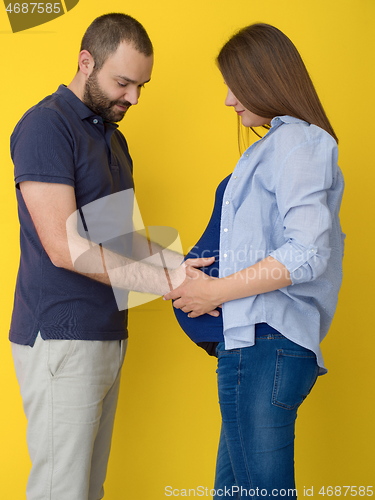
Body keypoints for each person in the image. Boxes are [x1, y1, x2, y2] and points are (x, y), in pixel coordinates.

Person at [10, 13, 214, 500]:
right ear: (86, 62)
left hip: (107, 332)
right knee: (62, 491)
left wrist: (184, 270)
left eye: (142, 85)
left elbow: (116, 239)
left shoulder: (113, 138)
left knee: (88, 489)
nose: (134, 98)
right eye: (123, 82)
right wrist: (166, 281)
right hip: (62, 335)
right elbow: (64, 247)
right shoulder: (46, 126)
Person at [165, 23, 345, 499]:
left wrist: (214, 291)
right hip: (252, 349)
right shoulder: (272, 147)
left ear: (264, 79)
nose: (228, 99)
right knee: (235, 493)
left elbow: (306, 252)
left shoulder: (300, 142)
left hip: (264, 348)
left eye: (235, 84)